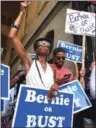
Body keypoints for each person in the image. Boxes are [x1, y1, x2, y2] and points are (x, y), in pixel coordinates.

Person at [8, 2, 58, 99]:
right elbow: (12, 35)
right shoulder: (29, 62)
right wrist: (21, 12)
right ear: (35, 49)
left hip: (48, 105)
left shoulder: (52, 68)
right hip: (31, 104)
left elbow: (53, 88)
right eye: (40, 44)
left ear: (49, 50)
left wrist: (56, 86)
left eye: (47, 44)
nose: (44, 45)